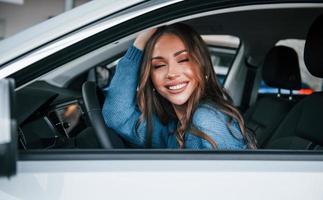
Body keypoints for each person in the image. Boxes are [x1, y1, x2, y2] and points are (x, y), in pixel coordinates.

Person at [102, 23, 256, 149]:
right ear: (151, 80)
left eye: (183, 60)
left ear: (203, 68)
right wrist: (140, 43)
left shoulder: (206, 120)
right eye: (159, 65)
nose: (172, 73)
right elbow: (117, 116)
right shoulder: (174, 125)